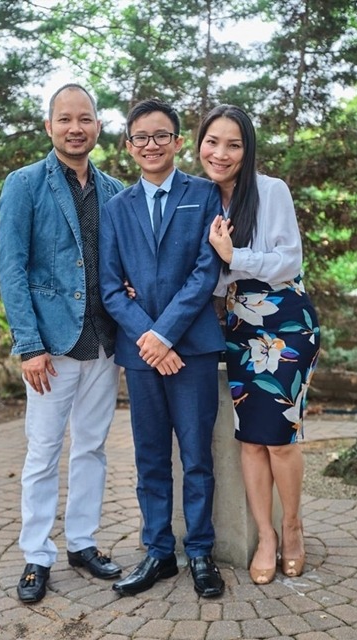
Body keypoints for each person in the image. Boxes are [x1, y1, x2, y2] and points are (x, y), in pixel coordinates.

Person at [0, 83, 124, 604]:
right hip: (50, 348)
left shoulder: (114, 190)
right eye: (65, 119)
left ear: (98, 127)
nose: (76, 128)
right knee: (44, 452)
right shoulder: (25, 184)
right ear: (49, 127)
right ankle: (36, 555)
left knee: (91, 447)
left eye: (85, 119)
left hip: (104, 344)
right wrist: (28, 345)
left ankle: (83, 543)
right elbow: (12, 268)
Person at [99, 98, 226, 598]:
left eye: (160, 135)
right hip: (141, 356)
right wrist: (149, 340)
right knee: (150, 456)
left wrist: (164, 335)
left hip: (192, 349)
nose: (151, 145)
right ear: (129, 147)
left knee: (196, 457)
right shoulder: (116, 208)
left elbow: (206, 271)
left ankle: (200, 552)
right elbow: (111, 288)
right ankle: (158, 552)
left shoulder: (205, 194)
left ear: (176, 142)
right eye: (141, 137)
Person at [197, 104, 320, 585]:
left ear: (247, 150)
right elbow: (207, 276)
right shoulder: (202, 198)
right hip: (240, 327)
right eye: (212, 142)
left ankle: (293, 528)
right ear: (200, 145)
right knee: (250, 438)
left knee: (280, 440)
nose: (220, 153)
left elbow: (289, 261)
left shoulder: (271, 190)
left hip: (286, 321)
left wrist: (235, 255)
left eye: (233, 144)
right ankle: (265, 536)